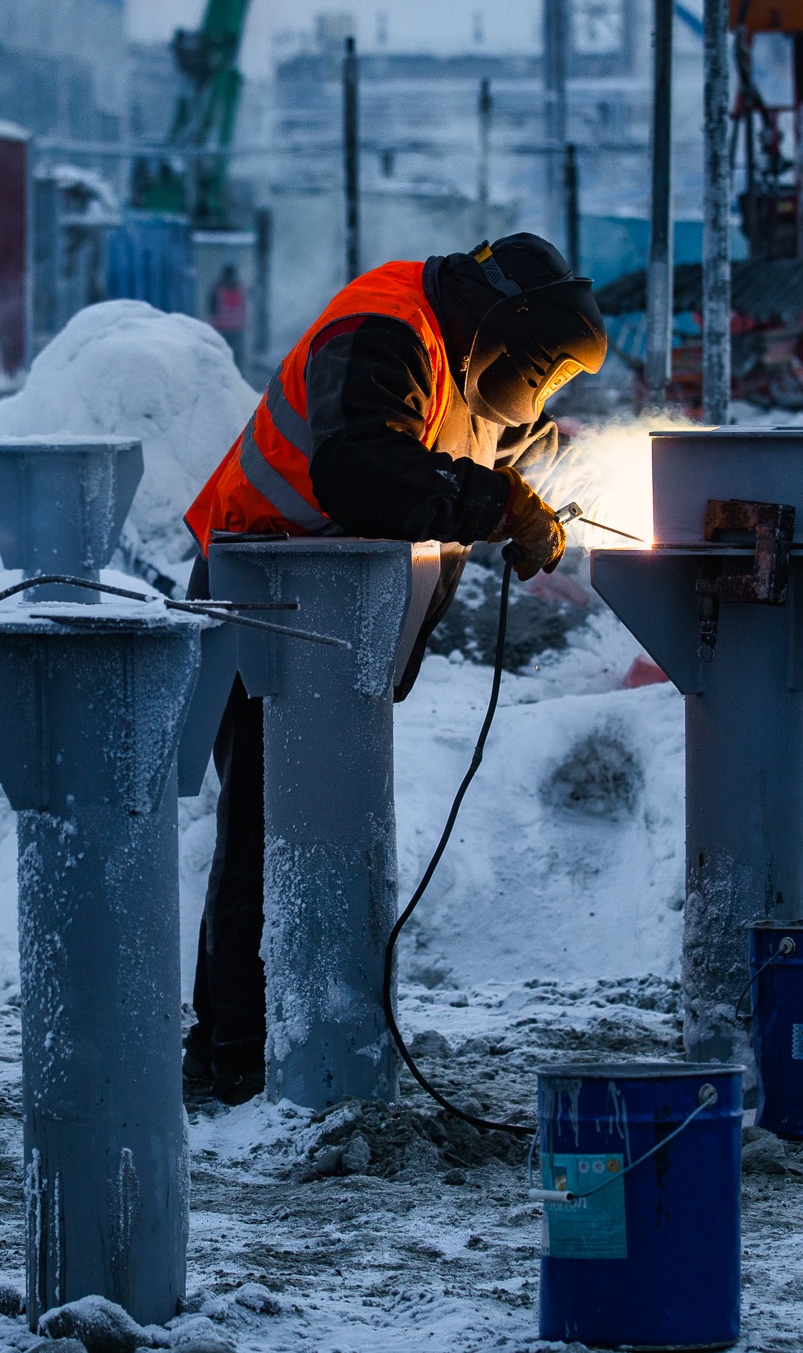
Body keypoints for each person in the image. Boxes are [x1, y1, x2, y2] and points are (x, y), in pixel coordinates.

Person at [179, 232, 608, 1102]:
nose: (539, 395)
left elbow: (475, 449)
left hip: (326, 609)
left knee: (300, 828)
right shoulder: (386, 325)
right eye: (544, 372)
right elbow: (359, 467)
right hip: (258, 586)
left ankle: (266, 1041)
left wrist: (533, 482)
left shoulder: (461, 357)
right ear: (505, 327)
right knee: (269, 833)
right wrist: (496, 505)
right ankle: (237, 1058)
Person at [208, 262, 250, 370]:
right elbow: (245, 306)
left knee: (221, 356)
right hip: (237, 327)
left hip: (221, 327)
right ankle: (237, 380)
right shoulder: (241, 288)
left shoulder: (217, 288)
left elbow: (211, 307)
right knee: (237, 358)